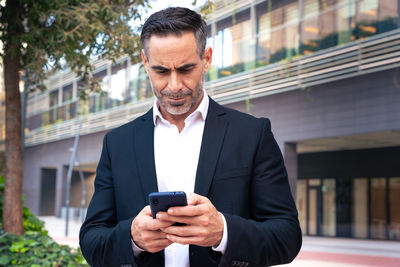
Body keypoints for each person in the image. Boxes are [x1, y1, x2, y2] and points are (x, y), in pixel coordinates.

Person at [79, 7, 302, 267]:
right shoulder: (117, 143)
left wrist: (224, 232)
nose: (174, 86)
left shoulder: (253, 134)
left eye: (186, 69)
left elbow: (287, 237)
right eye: (161, 71)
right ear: (145, 62)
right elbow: (91, 241)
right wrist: (132, 238)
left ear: (206, 58)